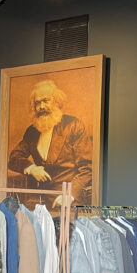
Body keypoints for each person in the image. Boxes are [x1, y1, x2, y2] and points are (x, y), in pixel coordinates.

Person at [8, 79, 92, 207]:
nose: (41, 107)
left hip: (71, 199)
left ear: (56, 102)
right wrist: (31, 169)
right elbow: (14, 158)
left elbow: (87, 168)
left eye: (46, 101)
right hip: (42, 199)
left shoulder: (73, 125)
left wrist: (69, 195)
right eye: (37, 103)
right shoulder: (32, 131)